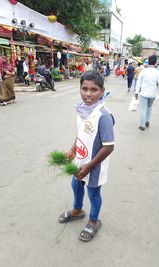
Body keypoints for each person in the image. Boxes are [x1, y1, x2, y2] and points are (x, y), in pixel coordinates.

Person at [58, 70, 115, 242]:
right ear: (80, 89)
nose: (88, 94)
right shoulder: (82, 110)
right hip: (80, 161)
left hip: (94, 166)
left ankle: (93, 221)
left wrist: (89, 166)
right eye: (84, 89)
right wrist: (72, 149)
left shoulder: (103, 116)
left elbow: (109, 147)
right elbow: (81, 134)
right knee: (76, 185)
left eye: (94, 90)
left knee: (93, 194)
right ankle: (77, 210)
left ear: (102, 91)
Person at [135, 55, 159, 130]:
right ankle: (147, 121)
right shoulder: (158, 72)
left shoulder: (143, 71)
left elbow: (138, 82)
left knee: (143, 109)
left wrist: (136, 92)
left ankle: (142, 125)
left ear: (148, 61)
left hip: (144, 93)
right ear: (156, 63)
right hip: (152, 94)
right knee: (149, 107)